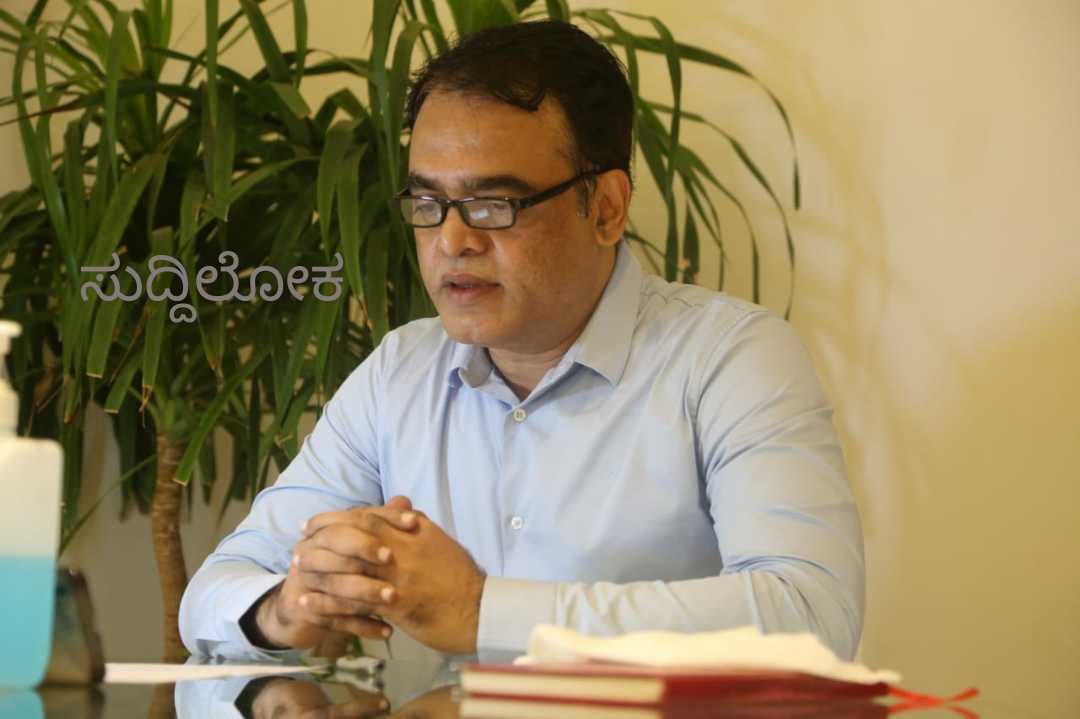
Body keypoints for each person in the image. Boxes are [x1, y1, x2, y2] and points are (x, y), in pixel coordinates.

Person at [179, 20, 865, 663]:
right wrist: (286, 606)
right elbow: (216, 589)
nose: (452, 240)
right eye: (428, 203)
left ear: (606, 208)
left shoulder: (728, 359)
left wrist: (483, 611)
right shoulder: (400, 373)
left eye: (493, 204)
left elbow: (811, 613)